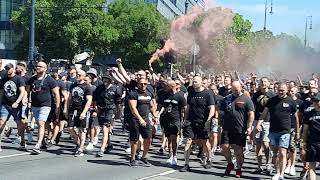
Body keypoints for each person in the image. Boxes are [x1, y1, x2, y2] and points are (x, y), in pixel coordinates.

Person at [260, 83, 298, 180]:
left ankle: (281, 174)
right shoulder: (271, 100)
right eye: (279, 90)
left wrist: (297, 132)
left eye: (283, 90)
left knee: (282, 152)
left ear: (287, 90)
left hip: (285, 131)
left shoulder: (291, 101)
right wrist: (259, 122)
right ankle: (277, 172)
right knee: (275, 153)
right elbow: (265, 112)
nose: (280, 92)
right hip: (273, 131)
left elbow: (296, 117)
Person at [180, 76, 216, 172]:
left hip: (203, 122)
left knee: (205, 142)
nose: (194, 83)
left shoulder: (208, 94)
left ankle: (209, 159)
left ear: (201, 82)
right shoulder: (191, 93)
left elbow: (212, 108)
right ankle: (186, 164)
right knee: (188, 141)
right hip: (191, 121)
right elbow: (187, 108)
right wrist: (185, 119)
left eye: (195, 82)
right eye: (193, 82)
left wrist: (208, 120)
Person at [220, 81, 255, 178]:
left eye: (237, 89)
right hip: (227, 128)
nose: (235, 91)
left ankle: (238, 168)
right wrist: (220, 124)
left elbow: (251, 114)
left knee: (238, 150)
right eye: (233, 89)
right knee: (224, 147)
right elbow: (221, 112)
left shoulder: (246, 99)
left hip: (240, 128)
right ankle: (230, 164)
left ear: (241, 87)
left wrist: (249, 126)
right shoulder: (227, 99)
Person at [26, 62, 60, 154]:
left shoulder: (50, 80)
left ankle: (37, 145)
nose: (38, 68)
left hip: (45, 105)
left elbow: (56, 93)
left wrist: (57, 107)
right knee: (39, 124)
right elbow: (27, 91)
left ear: (45, 69)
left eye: (40, 66)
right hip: (35, 105)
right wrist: (27, 101)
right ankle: (44, 142)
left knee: (41, 123)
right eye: (37, 66)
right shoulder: (32, 79)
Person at [128, 78, 158, 167]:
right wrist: (140, 119)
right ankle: (132, 158)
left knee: (148, 138)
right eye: (141, 84)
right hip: (135, 119)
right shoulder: (133, 94)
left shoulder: (148, 94)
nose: (143, 85)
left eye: (145, 83)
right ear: (137, 84)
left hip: (146, 119)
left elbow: (152, 106)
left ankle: (144, 157)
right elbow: (133, 108)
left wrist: (154, 115)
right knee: (135, 140)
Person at [158, 80, 186, 165]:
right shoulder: (165, 95)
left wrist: (184, 120)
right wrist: (158, 114)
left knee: (174, 138)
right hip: (166, 119)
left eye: (167, 86)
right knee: (169, 139)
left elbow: (184, 109)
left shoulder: (180, 96)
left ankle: (174, 156)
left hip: (176, 120)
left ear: (172, 86)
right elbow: (163, 106)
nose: (165, 88)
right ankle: (170, 155)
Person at [252, 77, 275, 174]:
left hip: (267, 121)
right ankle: (259, 166)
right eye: (262, 82)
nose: (263, 83)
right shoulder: (256, 95)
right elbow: (252, 108)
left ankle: (268, 164)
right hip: (256, 121)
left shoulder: (272, 95)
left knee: (266, 144)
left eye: (265, 82)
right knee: (257, 144)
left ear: (269, 83)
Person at [66, 69, 93, 157]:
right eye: (77, 74)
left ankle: (81, 148)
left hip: (82, 109)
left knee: (82, 130)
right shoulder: (73, 85)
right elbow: (69, 98)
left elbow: (89, 101)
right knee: (70, 128)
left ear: (84, 76)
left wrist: (84, 112)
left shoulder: (87, 87)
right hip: (73, 109)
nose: (78, 76)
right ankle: (78, 142)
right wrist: (66, 109)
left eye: (80, 75)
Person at [0, 63, 26, 151]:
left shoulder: (19, 79)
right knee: (1, 123)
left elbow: (22, 91)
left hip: (16, 105)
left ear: (13, 69)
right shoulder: (4, 80)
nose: (8, 70)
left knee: (19, 124)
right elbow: (2, 91)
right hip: (5, 105)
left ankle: (22, 139)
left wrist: (18, 101)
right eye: (6, 68)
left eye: (9, 68)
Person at [94, 74, 121, 157]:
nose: (105, 81)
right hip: (101, 109)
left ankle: (102, 149)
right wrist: (96, 108)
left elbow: (118, 102)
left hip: (110, 110)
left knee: (105, 128)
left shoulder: (115, 88)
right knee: (103, 128)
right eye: (104, 79)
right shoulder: (99, 88)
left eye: (107, 80)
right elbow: (95, 99)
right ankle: (109, 144)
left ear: (110, 80)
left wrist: (118, 113)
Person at [285, 86, 303, 176]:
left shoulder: (300, 102)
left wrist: (298, 130)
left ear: (296, 92)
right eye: (290, 90)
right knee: (285, 148)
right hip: (286, 126)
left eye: (292, 91)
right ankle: (287, 164)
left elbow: (300, 117)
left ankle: (292, 166)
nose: (290, 92)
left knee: (292, 147)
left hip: (294, 127)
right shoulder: (287, 100)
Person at [302, 93, 320, 180]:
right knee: (311, 165)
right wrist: (303, 143)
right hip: (312, 142)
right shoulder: (309, 113)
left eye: (318, 101)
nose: (316, 103)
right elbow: (305, 129)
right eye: (314, 101)